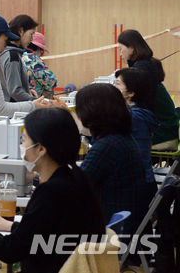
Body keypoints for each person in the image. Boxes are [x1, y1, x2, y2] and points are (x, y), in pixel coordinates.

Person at [0, 108, 106, 273]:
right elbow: (40, 232)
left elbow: (11, 250)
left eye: (24, 140)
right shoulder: (75, 176)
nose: (22, 146)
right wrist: (10, 226)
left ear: (41, 149)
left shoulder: (52, 192)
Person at [76, 83, 153, 237]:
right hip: (123, 223)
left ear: (91, 113)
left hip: (110, 229)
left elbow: (75, 187)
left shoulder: (106, 147)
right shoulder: (120, 138)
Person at [117, 29, 179, 151]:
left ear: (131, 48)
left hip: (162, 134)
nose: (120, 53)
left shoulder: (142, 69)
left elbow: (140, 107)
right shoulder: (147, 64)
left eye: (121, 48)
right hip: (167, 129)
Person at [114, 67, 159, 201]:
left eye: (117, 84)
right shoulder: (134, 113)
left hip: (136, 185)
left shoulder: (134, 116)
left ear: (131, 92)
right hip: (138, 181)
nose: (113, 87)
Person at [0, 14, 39, 101]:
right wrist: (34, 101)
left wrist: (27, 89)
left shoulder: (8, 52)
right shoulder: (12, 55)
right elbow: (14, 91)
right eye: (31, 34)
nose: (32, 39)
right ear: (21, 31)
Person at [22, 32, 58, 98]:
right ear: (38, 48)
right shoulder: (34, 60)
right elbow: (51, 82)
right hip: (35, 100)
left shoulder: (19, 56)